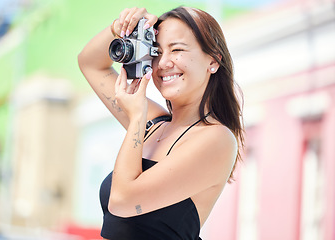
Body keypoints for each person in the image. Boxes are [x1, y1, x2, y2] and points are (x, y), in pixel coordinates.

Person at [78, 6, 244, 240]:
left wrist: (136, 118)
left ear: (213, 61)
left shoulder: (216, 139)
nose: (163, 63)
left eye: (177, 49)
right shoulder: (154, 124)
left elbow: (122, 202)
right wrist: (121, 27)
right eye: (156, 52)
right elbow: (90, 63)